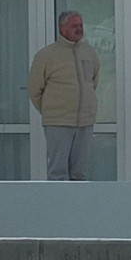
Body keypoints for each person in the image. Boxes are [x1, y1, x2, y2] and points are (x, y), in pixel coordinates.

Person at [28, 10, 100, 181]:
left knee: (79, 173)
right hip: (58, 122)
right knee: (58, 173)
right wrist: (52, 110)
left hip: (85, 121)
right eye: (74, 25)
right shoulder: (46, 55)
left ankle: (78, 207)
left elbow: (93, 82)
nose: (79, 29)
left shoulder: (89, 53)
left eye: (81, 25)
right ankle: (58, 207)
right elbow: (35, 90)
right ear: (62, 28)